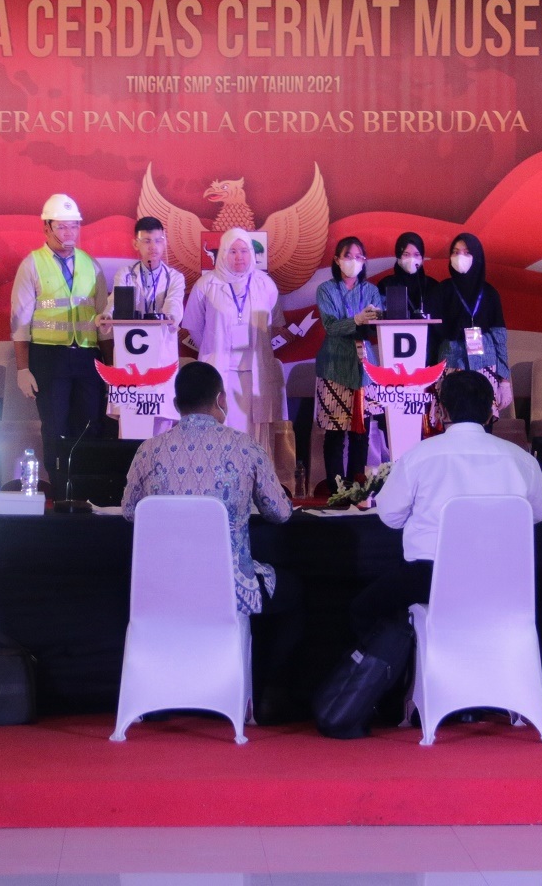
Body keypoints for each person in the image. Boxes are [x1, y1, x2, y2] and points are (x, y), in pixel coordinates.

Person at [121, 361, 301, 718]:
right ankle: (269, 698)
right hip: (228, 588)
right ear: (221, 399)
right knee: (294, 593)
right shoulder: (246, 448)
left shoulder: (148, 450)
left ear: (176, 404)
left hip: (161, 588)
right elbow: (280, 513)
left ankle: (158, 698)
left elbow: (130, 511)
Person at [355, 371, 542, 641]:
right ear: (490, 412)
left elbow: (389, 516)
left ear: (442, 410)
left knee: (363, 610)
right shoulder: (522, 459)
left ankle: (400, 667)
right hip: (502, 580)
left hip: (431, 578)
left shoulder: (419, 456)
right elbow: (541, 512)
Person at [9, 194, 110, 478]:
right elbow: (20, 321)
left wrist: (112, 367)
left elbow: (104, 320)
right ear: (46, 228)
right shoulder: (32, 264)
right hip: (49, 358)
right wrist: (23, 368)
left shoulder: (92, 264)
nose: (69, 233)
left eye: (74, 226)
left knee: (90, 425)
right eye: (62, 227)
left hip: (88, 358)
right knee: (55, 427)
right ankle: (60, 487)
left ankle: (86, 486)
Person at [182, 228, 288, 459]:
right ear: (222, 254)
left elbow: (273, 325)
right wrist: (213, 349)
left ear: (252, 253)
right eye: (232, 251)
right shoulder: (206, 284)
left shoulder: (265, 284)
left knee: (253, 438)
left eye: (244, 251)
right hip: (220, 374)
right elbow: (194, 328)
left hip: (255, 374)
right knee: (220, 433)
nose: (239, 257)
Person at [99, 216, 185, 434]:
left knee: (161, 429)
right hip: (131, 361)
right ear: (135, 244)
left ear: (164, 242)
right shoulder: (125, 274)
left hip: (161, 358)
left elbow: (174, 304)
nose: (153, 247)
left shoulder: (174, 277)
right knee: (131, 427)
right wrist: (107, 316)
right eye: (147, 241)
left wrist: (171, 316)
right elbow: (115, 302)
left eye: (158, 240)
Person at [314, 236, 383, 489]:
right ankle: (336, 490)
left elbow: (378, 326)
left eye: (358, 257)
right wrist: (356, 320)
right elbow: (331, 326)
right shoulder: (326, 289)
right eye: (347, 256)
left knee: (360, 432)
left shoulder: (371, 290)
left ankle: (357, 489)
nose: (353, 261)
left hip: (365, 367)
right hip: (334, 366)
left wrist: (375, 319)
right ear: (336, 260)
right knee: (334, 433)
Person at [425, 232, 513, 421]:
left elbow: (500, 338)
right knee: (452, 423)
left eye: (466, 252)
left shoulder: (489, 293)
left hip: (485, 367)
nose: (460, 257)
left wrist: (504, 380)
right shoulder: (441, 291)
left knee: (483, 424)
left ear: (477, 256)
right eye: (455, 252)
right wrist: (428, 375)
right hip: (451, 367)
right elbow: (431, 338)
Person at [375, 231, 435, 321]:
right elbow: (378, 318)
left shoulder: (433, 286)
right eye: (406, 254)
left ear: (422, 258)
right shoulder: (386, 285)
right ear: (398, 256)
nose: (411, 259)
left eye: (416, 255)